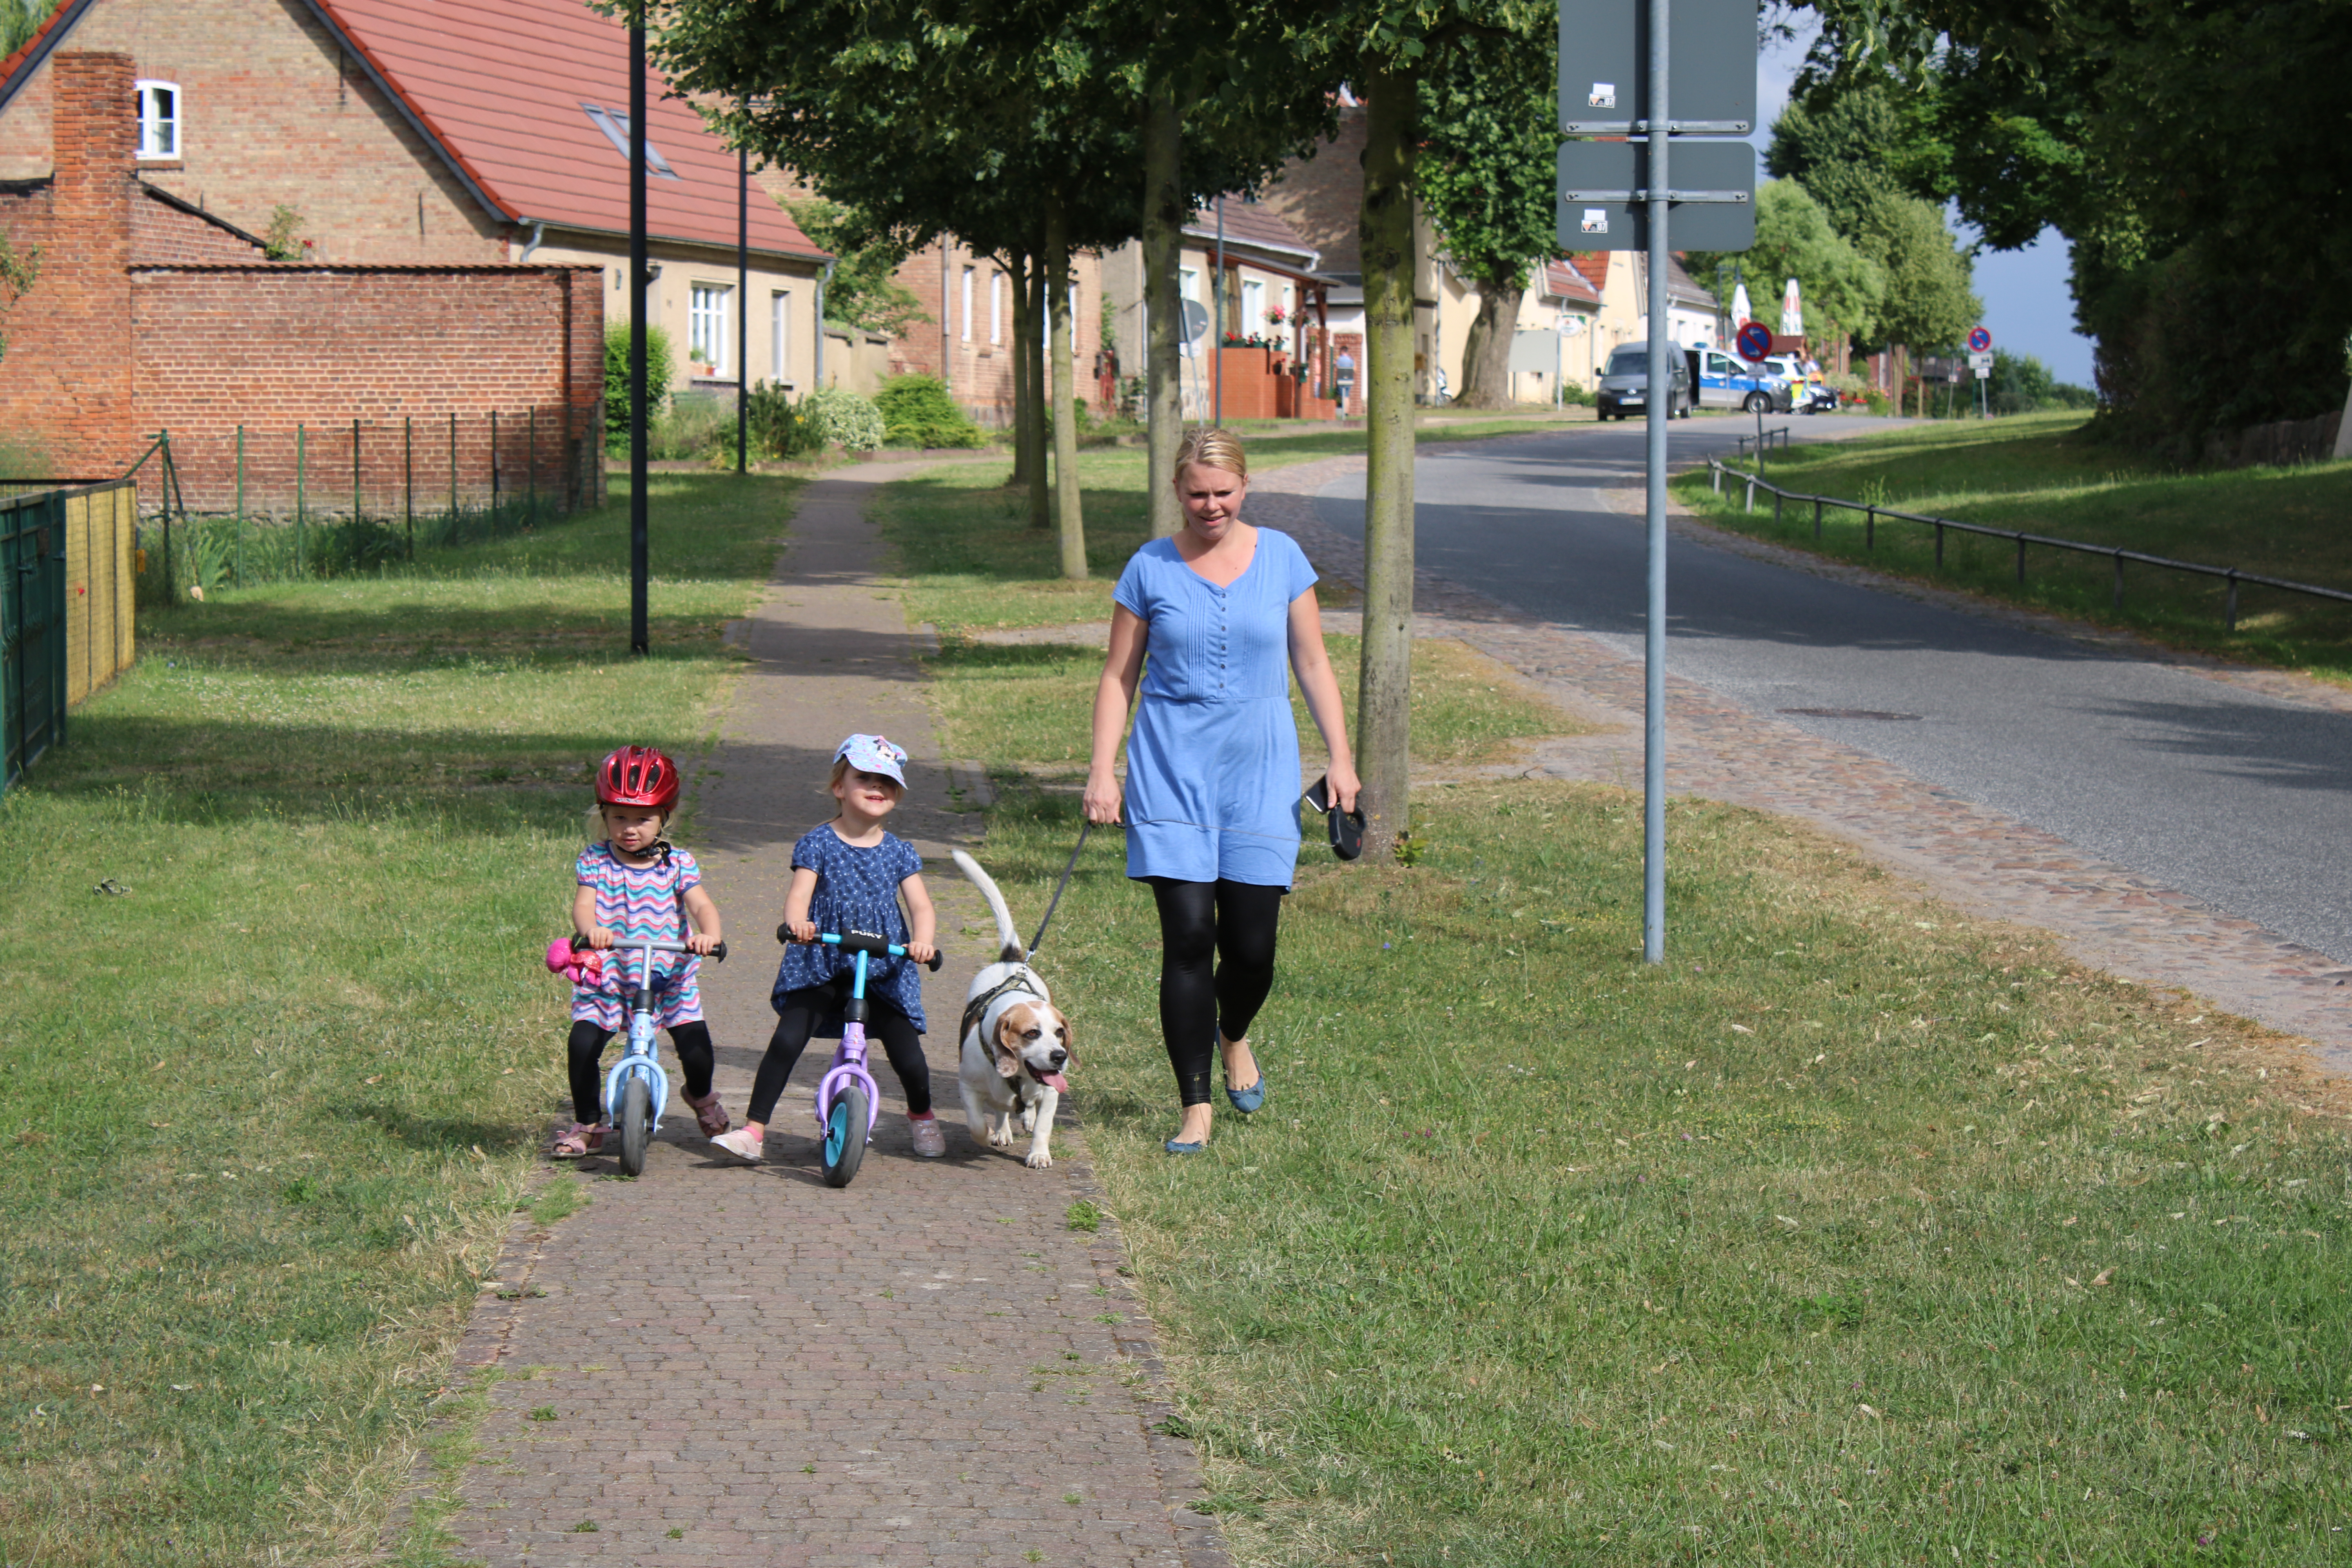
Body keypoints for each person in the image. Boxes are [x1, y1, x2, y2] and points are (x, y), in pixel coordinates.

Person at [1083, 429, 1359, 1154]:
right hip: (1171, 768)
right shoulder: (1148, 567)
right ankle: (1195, 1110)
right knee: (1189, 941)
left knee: (1251, 949)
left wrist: (1342, 759)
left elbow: (1314, 662)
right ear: (1177, 490)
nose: (1211, 506)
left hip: (1260, 773)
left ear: (1245, 488)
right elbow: (1119, 677)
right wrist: (1101, 770)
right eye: (1198, 493)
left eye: (1224, 493)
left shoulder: (1285, 560)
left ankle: (1232, 1033)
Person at [713, 735, 945, 1162]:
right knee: (786, 1039)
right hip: (822, 960)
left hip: (881, 967)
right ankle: (754, 1129)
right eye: (865, 779)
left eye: (887, 782)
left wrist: (922, 943)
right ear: (840, 787)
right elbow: (800, 892)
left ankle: (922, 1114)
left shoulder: (899, 852)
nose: (878, 788)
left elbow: (921, 906)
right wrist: (798, 922)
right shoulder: (818, 842)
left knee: (908, 1054)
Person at [557, 746, 728, 1158]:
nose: (629, 828)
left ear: (664, 817)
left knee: (697, 1047)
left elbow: (701, 904)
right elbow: (584, 904)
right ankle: (588, 1122)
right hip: (610, 973)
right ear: (603, 814)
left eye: (642, 819)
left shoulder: (678, 863)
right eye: (619, 817)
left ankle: (701, 1096)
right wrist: (591, 930)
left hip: (668, 976)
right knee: (582, 1044)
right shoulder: (596, 860)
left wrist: (710, 933)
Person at [1333, 347, 1356, 416]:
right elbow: (1355, 370)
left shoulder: (1339, 359)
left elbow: (1336, 367)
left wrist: (1335, 362)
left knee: (1342, 395)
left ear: (1342, 351)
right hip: (1349, 380)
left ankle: (1343, 411)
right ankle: (1347, 412)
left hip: (1341, 379)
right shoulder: (1351, 360)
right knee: (1347, 396)